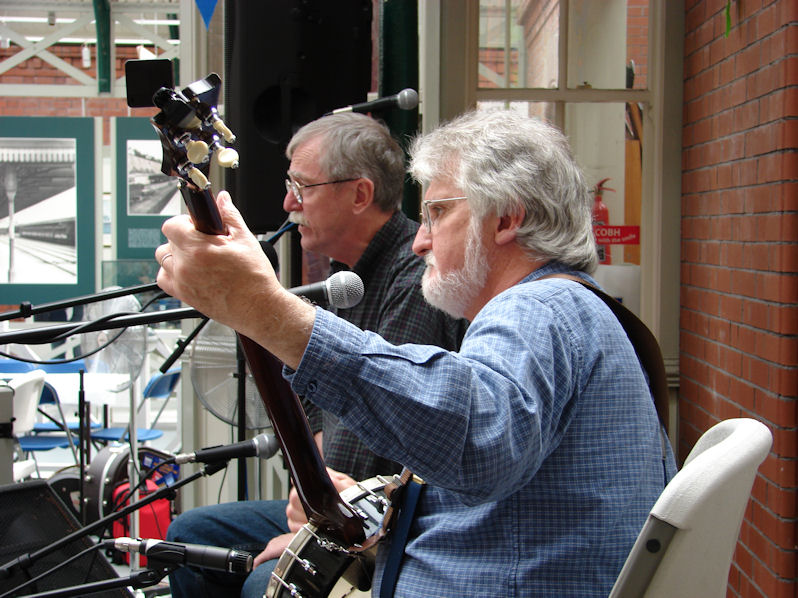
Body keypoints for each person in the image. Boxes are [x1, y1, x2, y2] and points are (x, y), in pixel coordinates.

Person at [157, 109, 677, 597]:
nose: (419, 241)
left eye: (436, 213)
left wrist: (270, 313)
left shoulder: (538, 308)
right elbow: (475, 481)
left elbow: (479, 441)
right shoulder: (565, 307)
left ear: (505, 219)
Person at [164, 112, 467, 598]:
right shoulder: (340, 279)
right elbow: (314, 404)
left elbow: (378, 434)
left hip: (385, 518)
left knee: (264, 582)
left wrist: (309, 529)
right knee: (191, 536)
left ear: (360, 195)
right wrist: (312, 494)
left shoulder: (410, 283)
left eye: (302, 187)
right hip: (332, 504)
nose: (288, 202)